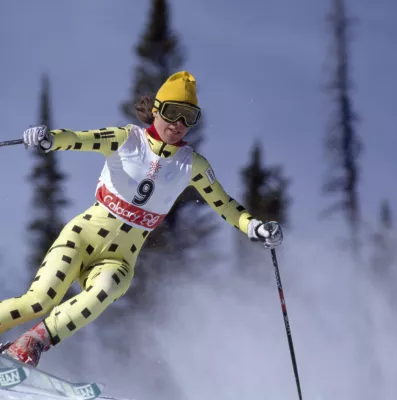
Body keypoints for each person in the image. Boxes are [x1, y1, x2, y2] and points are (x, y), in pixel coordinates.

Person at [0, 71, 283, 367]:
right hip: (82, 236)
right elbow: (79, 139)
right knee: (38, 301)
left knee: (106, 291)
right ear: (157, 109)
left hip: (120, 258)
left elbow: (224, 204)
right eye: (173, 112)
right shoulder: (127, 139)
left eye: (189, 117)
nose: (178, 124)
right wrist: (48, 139)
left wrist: (254, 226)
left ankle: (31, 343)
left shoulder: (192, 165)